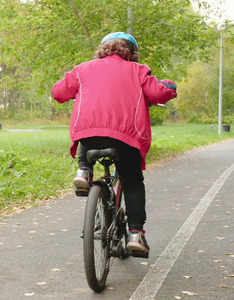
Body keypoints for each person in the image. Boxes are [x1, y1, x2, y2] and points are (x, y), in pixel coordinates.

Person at [51, 32, 177, 257]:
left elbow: (58, 92)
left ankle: (84, 170)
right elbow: (160, 92)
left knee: (88, 132)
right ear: (133, 53)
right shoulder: (138, 71)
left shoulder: (82, 69)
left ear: (102, 49)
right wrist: (169, 85)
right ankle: (136, 234)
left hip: (89, 135)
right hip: (126, 137)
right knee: (132, 182)